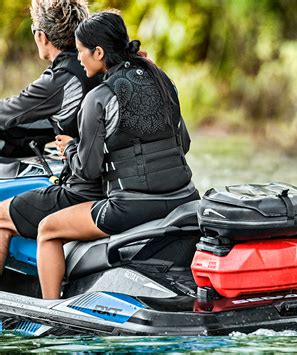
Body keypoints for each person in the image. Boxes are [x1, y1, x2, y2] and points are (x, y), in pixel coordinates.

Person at [36, 11, 200, 299]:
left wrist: (71, 147)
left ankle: (51, 312)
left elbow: (86, 171)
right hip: (184, 199)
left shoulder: (98, 98)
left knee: (47, 230)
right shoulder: (163, 80)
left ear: (98, 52)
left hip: (130, 209)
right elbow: (183, 143)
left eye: (80, 51)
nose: (78, 59)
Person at [0, 0, 104, 275]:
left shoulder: (63, 76)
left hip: (86, 187)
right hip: (115, 181)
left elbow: (8, 113)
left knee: (1, 217)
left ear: (41, 36)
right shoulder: (103, 63)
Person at [0, 0, 101, 157]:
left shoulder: (60, 79)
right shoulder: (97, 59)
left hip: (89, 169)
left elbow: (7, 113)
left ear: (41, 36)